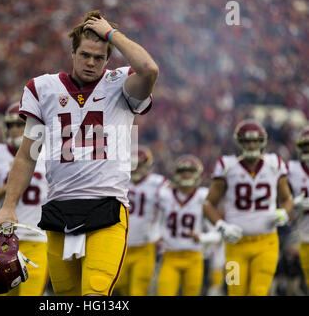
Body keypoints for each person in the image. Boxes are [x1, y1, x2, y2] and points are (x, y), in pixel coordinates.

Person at [0, 10, 159, 296]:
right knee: (65, 298)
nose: (91, 62)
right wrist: (8, 205)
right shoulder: (43, 88)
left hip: (106, 207)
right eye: (85, 55)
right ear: (72, 52)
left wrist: (111, 34)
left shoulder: (120, 84)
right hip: (59, 209)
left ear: (108, 58)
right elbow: (28, 155)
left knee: (94, 295)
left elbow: (149, 69)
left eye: (99, 57)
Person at [203, 119, 294, 296]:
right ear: (239, 142)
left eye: (255, 141)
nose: (251, 145)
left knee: (258, 292)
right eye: (246, 141)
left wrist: (284, 212)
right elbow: (208, 204)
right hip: (235, 246)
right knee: (235, 292)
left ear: (262, 142)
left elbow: (287, 199)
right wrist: (222, 226)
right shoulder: (226, 166)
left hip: (266, 243)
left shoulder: (274, 163)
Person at [0, 103, 49, 296]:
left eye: (21, 124)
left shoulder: (48, 152)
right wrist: (11, 186)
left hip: (37, 239)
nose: (16, 130)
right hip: (5, 240)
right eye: (12, 125)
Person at [156, 155, 221, 296]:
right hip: (169, 256)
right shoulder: (165, 194)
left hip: (193, 257)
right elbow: (154, 219)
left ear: (197, 175)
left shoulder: (203, 196)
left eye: (190, 172)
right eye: (182, 172)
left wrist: (202, 238)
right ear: (176, 174)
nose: (186, 175)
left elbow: (217, 233)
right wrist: (156, 235)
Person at [114, 146, 168, 296]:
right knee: (121, 288)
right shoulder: (120, 180)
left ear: (148, 165)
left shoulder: (159, 183)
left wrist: (160, 232)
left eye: (139, 165)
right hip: (120, 246)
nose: (135, 169)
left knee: (137, 291)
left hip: (144, 246)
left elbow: (171, 209)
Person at [287, 125, 309, 291]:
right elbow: (278, 199)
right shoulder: (291, 169)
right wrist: (292, 203)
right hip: (304, 235)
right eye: (305, 146)